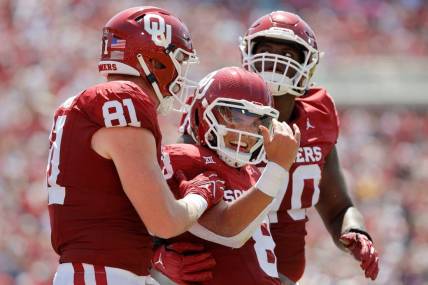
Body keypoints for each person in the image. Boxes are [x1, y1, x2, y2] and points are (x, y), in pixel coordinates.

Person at [46, 6, 225, 285]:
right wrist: (201, 194)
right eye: (178, 59)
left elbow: (110, 210)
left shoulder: (82, 104)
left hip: (103, 271)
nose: (181, 73)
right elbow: (164, 221)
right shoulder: (123, 98)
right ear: (153, 59)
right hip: (103, 274)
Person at [239, 11, 380, 284]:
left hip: (285, 275)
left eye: (288, 54)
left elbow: (338, 207)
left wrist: (357, 232)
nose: (275, 60)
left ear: (307, 65)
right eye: (265, 50)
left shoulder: (318, 115)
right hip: (224, 268)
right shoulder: (222, 104)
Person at [150, 66, 301, 285]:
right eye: (235, 116)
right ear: (202, 112)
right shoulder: (185, 158)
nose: (246, 132)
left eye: (257, 122)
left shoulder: (253, 174)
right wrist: (154, 258)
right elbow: (230, 232)